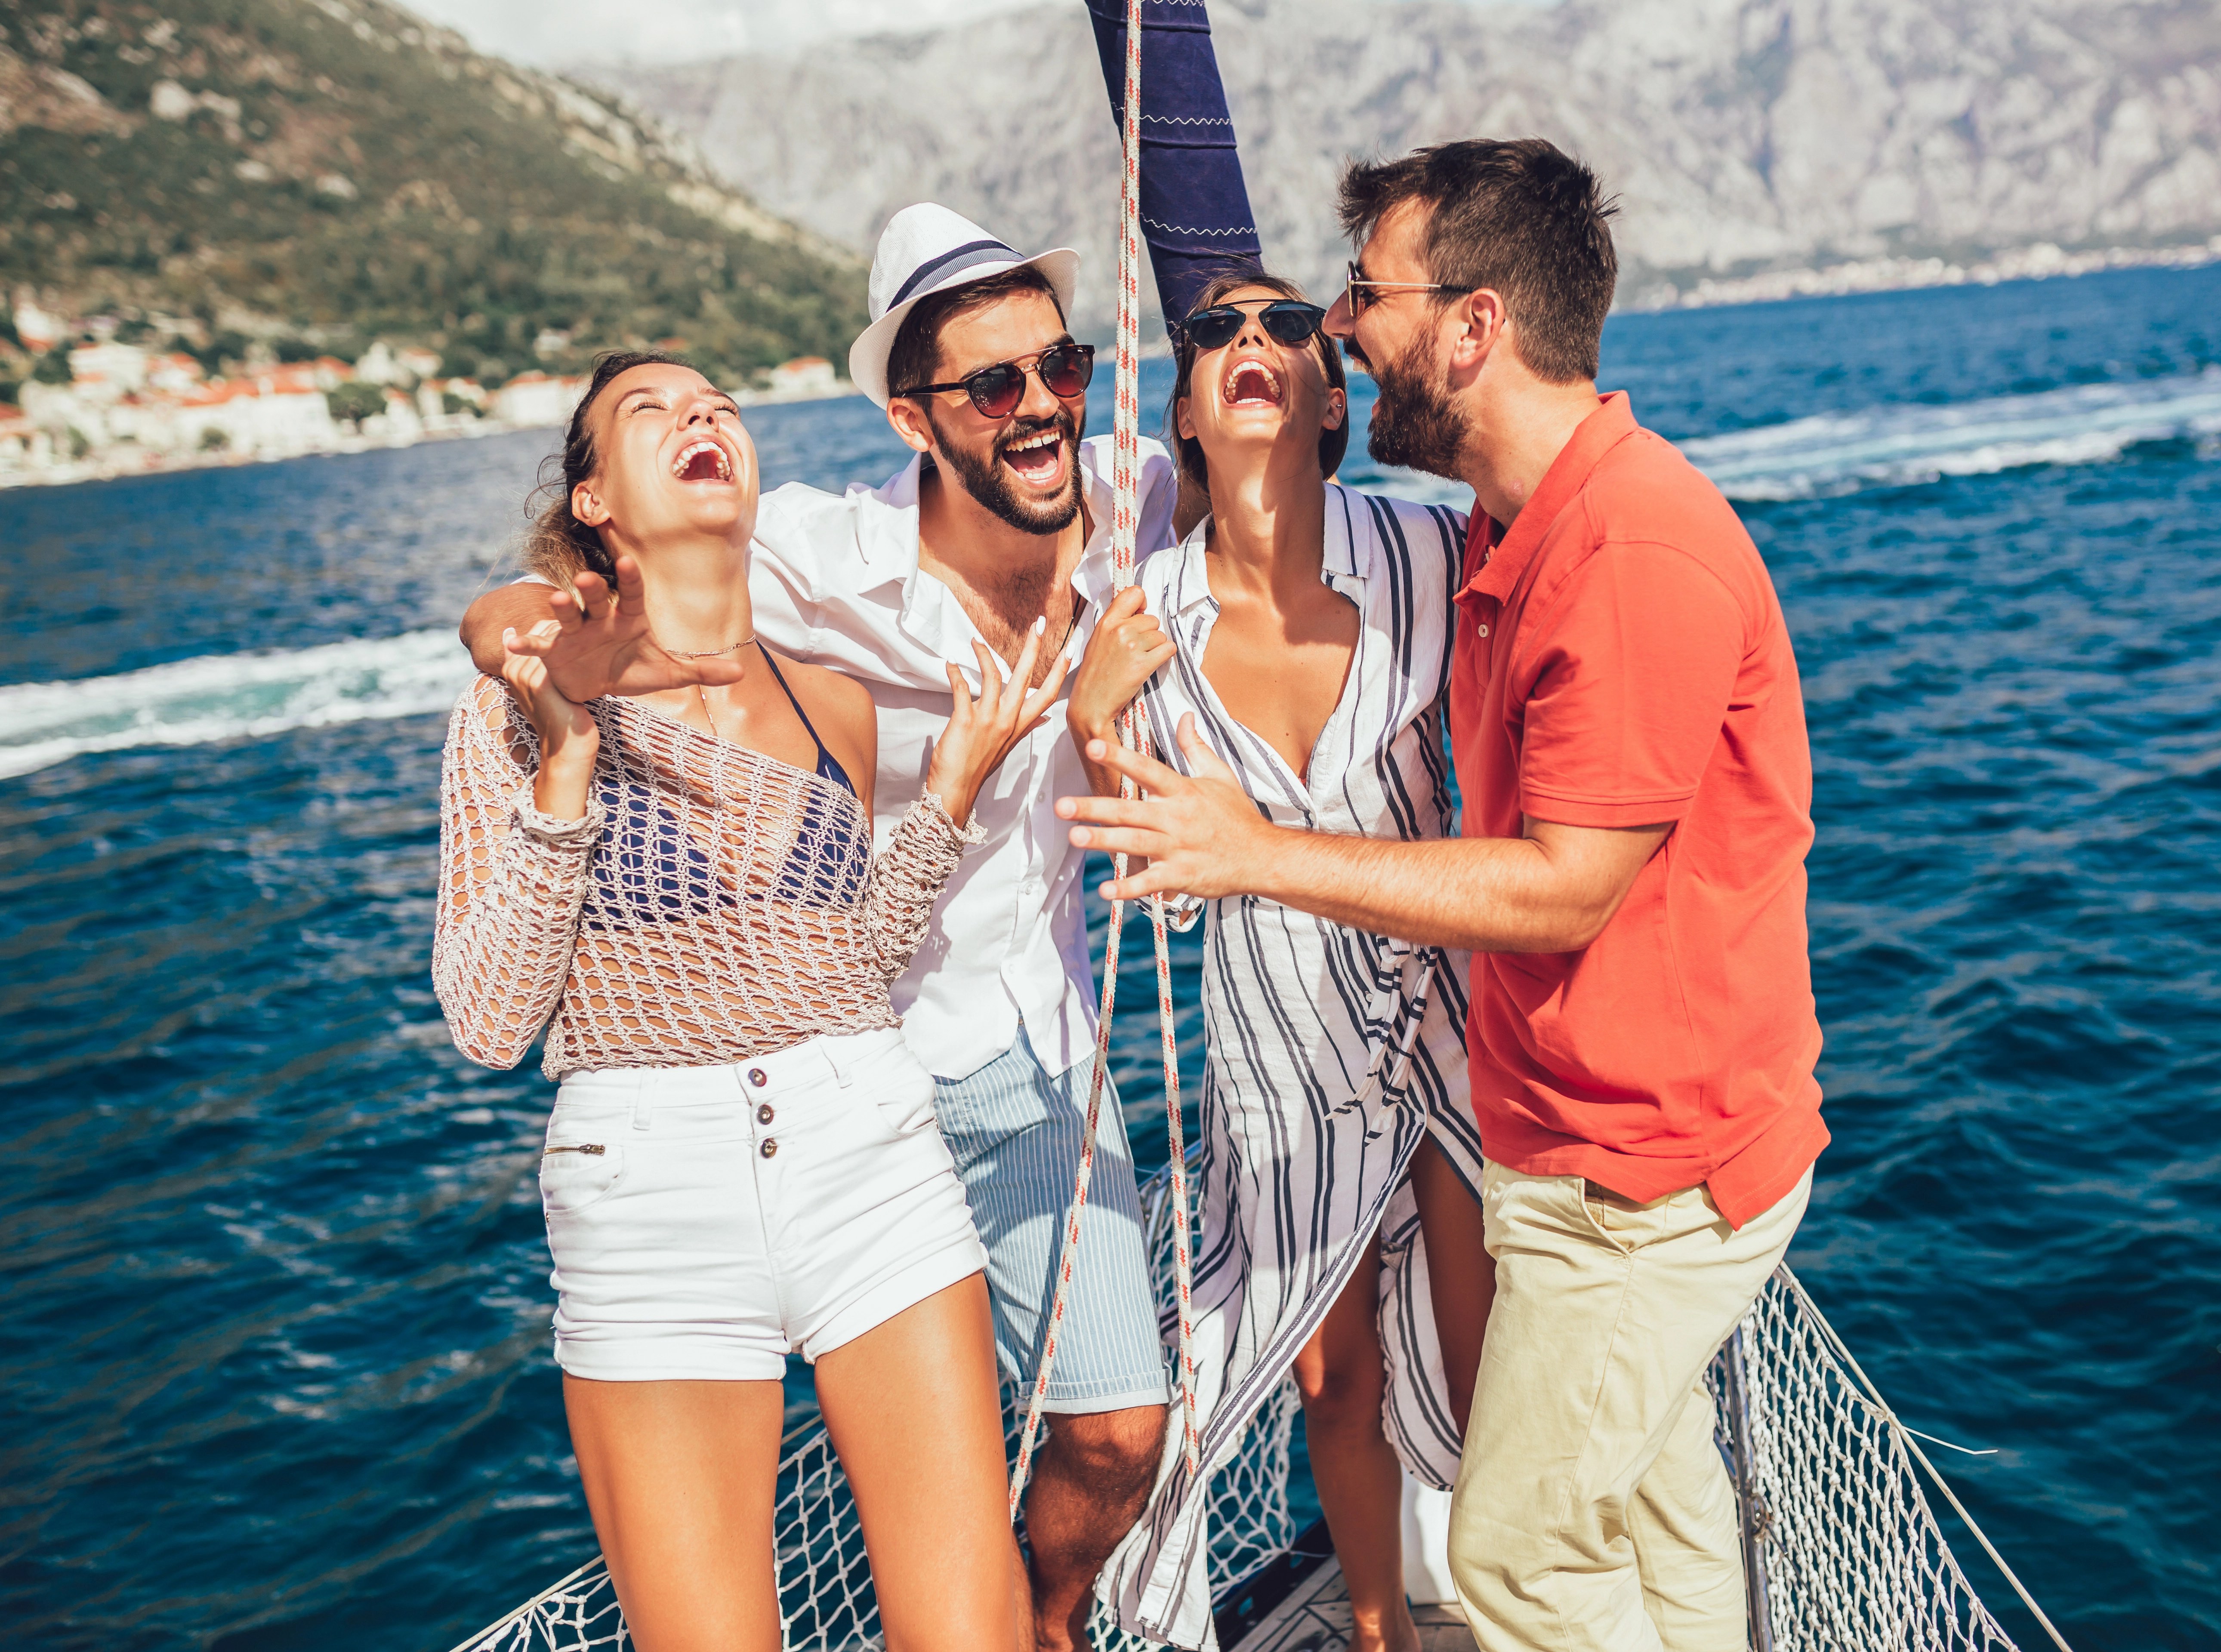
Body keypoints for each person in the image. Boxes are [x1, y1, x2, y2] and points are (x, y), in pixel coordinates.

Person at [1058, 139, 1831, 1652]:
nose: (1342, 326)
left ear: (1471, 327)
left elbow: (1568, 889)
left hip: (1643, 1168)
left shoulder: (1616, 550)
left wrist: (1260, 854)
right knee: (1655, 1512)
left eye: (1358, 299)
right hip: (1537, 1118)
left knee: (1521, 1560)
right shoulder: (1505, 533)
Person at [457, 207, 1182, 1652]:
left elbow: (844, 963)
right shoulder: (561, 675)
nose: (702, 418)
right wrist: (555, 729)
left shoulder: (845, 690)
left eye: (715, 402)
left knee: (1025, 1561)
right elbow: (490, 1017)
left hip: (890, 1123)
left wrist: (962, 785)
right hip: (659, 1180)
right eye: (653, 414)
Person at [1068, 270, 1492, 1652]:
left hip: (1441, 1004)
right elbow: (1154, 869)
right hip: (1279, 1039)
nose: (1252, 341)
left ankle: (1518, 1611)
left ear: (1329, 405)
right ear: (1189, 415)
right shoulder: (1147, 615)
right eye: (1216, 333)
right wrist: (1093, 726)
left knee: (1488, 1358)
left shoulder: (1429, 550)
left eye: (1289, 327)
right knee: (1336, 1376)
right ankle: (1379, 1635)